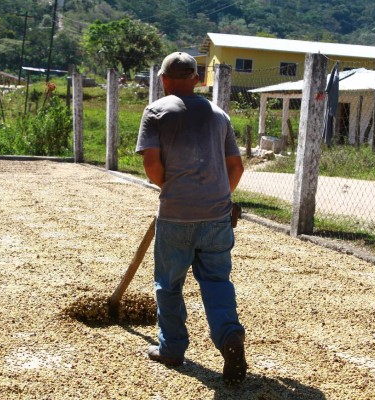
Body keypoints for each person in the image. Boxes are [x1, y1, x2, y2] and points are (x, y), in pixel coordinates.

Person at [135, 52, 246, 385]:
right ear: (197, 79)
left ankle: (171, 348)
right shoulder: (218, 115)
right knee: (216, 283)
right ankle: (229, 336)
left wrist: (178, 191)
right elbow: (236, 168)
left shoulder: (156, 111)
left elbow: (153, 166)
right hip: (217, 217)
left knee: (168, 284)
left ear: (164, 79)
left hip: (176, 217)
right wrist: (215, 197)